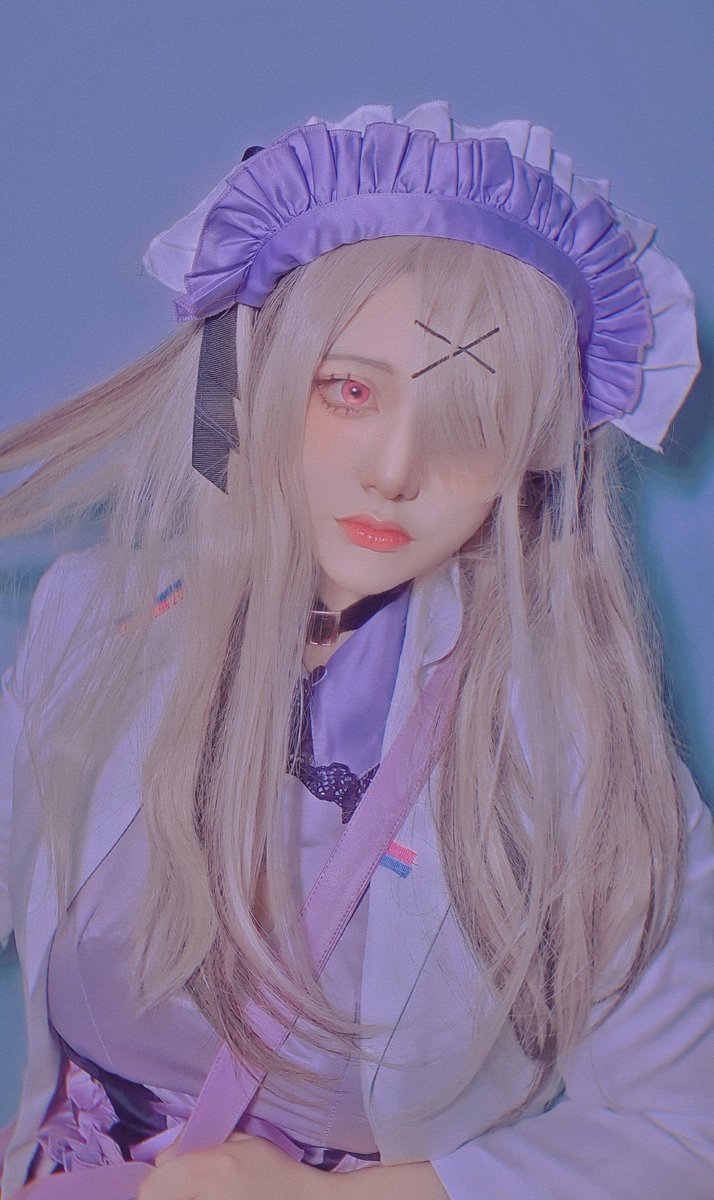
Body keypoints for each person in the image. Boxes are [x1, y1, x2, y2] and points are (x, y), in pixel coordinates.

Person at [0, 101, 712, 1199]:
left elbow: (688, 1129)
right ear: (256, 377)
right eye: (350, 391)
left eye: (472, 422)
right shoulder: (94, 618)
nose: (394, 470)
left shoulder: (574, 746)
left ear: (531, 455)